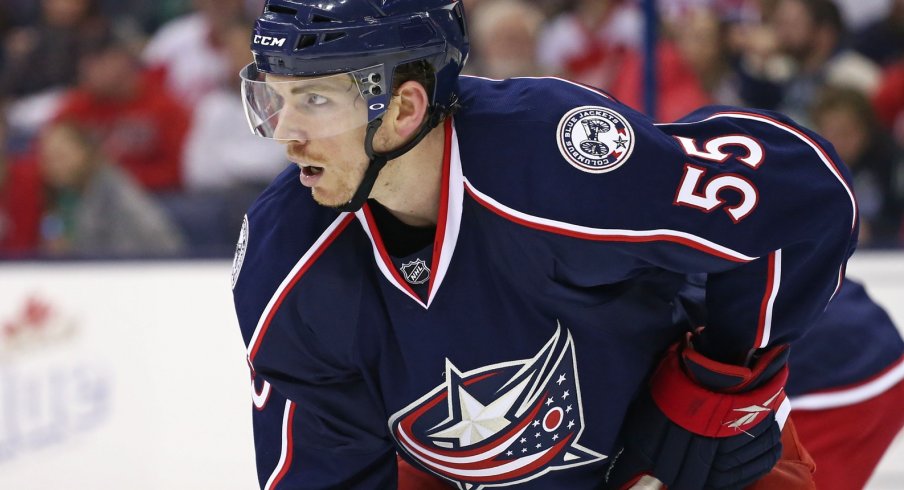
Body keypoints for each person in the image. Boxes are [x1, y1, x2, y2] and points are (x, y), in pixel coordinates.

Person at [231, 1, 857, 488]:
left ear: (403, 108)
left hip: (688, 469)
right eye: (273, 98)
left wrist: (722, 379)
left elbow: (807, 195)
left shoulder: (554, 162)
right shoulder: (285, 260)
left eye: (312, 99)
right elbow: (325, 469)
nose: (283, 133)